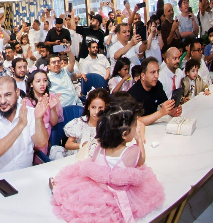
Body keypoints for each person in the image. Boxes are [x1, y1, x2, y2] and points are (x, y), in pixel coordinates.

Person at [51, 95, 165, 223]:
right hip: (119, 194)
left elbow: (94, 161)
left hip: (97, 191)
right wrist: (139, 140)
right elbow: (141, 162)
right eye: (134, 126)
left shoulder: (99, 146)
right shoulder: (132, 152)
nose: (136, 128)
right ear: (124, 134)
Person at [0, 76, 49, 175]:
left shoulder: (29, 112)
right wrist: (20, 125)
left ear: (17, 93)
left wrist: (38, 119)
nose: (3, 101)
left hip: (26, 174)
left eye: (7, 95)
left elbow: (41, 143)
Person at [128, 57, 182, 126]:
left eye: (157, 71)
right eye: (153, 72)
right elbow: (136, 121)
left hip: (153, 126)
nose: (156, 76)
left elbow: (164, 105)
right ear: (143, 75)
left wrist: (172, 111)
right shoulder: (133, 94)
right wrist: (161, 112)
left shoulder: (157, 85)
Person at [24, 69, 63, 156]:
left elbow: (54, 123)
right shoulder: (27, 102)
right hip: (34, 137)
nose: (42, 84)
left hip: (48, 136)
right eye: (38, 81)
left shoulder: (51, 97)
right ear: (31, 84)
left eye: (45, 80)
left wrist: (52, 108)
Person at [62, 88, 110, 158]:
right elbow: (68, 145)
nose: (96, 112)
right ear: (88, 107)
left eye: (100, 108)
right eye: (93, 107)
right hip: (79, 155)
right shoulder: (80, 123)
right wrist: (82, 145)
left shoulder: (106, 124)